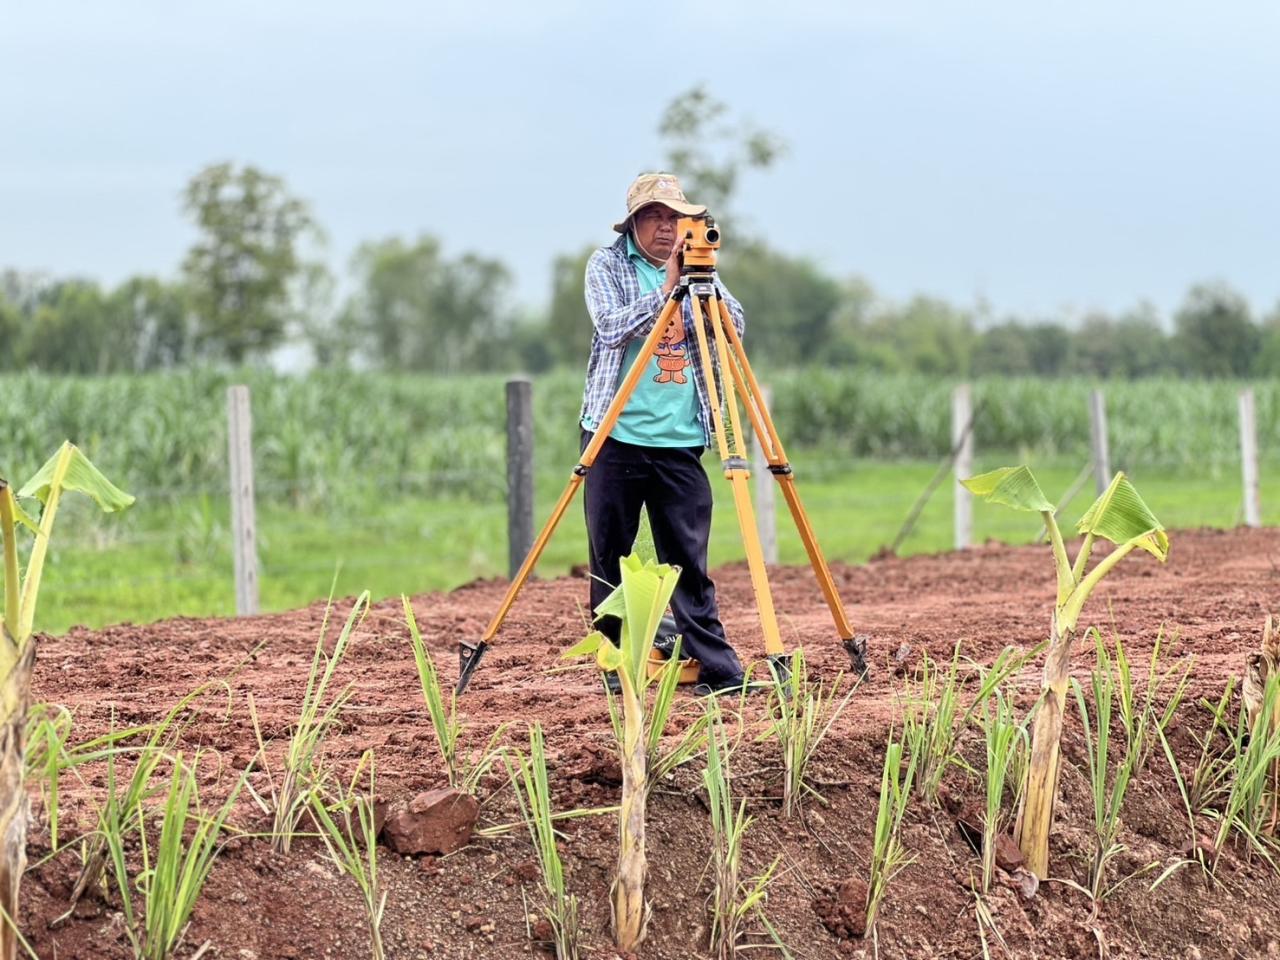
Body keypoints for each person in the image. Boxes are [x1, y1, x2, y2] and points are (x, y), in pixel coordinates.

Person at [580, 172, 749, 696]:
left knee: (688, 560)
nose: (666, 228)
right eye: (655, 217)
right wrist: (669, 292)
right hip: (615, 434)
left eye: (674, 218)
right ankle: (614, 663)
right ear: (632, 223)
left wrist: (697, 283)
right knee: (610, 555)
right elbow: (610, 327)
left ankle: (718, 669)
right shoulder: (606, 265)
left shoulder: (700, 271)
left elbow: (734, 327)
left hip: (680, 438)